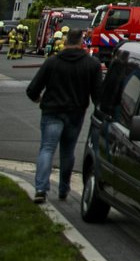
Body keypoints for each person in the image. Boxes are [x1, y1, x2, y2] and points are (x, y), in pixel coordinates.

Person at [25, 27, 102, 205]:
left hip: (52, 111)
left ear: (66, 41)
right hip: (75, 113)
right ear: (82, 42)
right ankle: (63, 189)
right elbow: (98, 95)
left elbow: (32, 89)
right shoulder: (92, 65)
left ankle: (40, 189)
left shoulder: (52, 63)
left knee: (47, 148)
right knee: (67, 152)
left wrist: (39, 99)